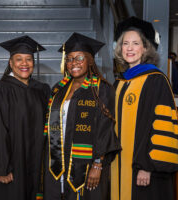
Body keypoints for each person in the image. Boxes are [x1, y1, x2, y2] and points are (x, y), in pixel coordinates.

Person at [42, 32, 121, 200]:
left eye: (79, 58)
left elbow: (105, 130)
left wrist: (97, 165)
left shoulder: (102, 89)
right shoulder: (58, 89)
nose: (73, 63)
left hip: (86, 163)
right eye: (69, 59)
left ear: (90, 60)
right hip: (58, 160)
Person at [111, 16, 178, 200]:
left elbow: (162, 127)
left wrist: (147, 166)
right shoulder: (120, 82)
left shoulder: (156, 80)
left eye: (135, 43)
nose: (129, 48)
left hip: (143, 169)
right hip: (119, 165)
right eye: (125, 43)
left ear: (145, 48)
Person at [0, 35, 51, 200]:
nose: (24, 64)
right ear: (10, 63)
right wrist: (1, 167)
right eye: (19, 59)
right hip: (10, 166)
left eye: (29, 59)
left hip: (35, 163)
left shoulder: (41, 90)